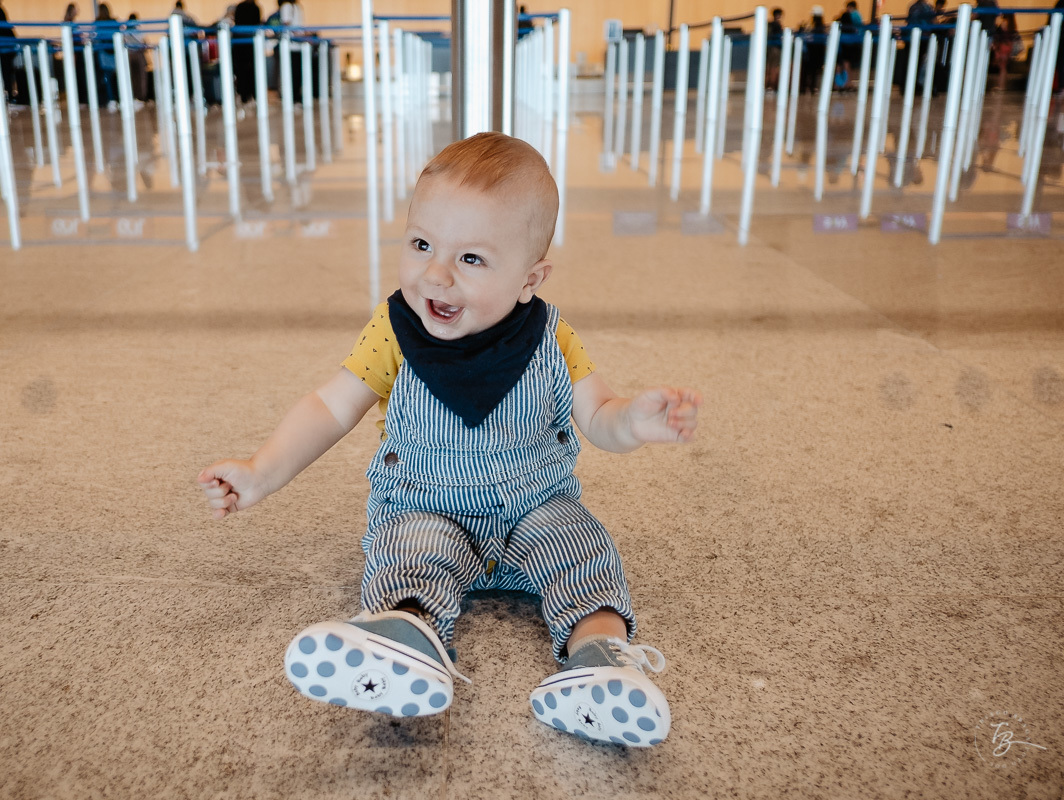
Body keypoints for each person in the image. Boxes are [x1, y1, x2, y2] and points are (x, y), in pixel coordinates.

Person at [197, 132, 700, 747]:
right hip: (425, 506)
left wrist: (633, 423)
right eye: (421, 244)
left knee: (583, 549)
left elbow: (599, 415)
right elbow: (330, 407)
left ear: (529, 278)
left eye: (471, 259)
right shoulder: (394, 329)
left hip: (536, 509)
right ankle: (406, 638)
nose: (436, 273)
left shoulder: (551, 336)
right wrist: (262, 470)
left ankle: (601, 661)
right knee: (410, 551)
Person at [233, 0, 262, 102]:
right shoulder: (256, 8)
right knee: (253, 70)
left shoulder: (240, 7)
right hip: (251, 44)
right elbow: (257, 24)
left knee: (242, 70)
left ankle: (244, 96)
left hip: (240, 44)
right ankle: (254, 95)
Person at [766, 8, 784, 90]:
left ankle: (767, 85)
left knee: (768, 66)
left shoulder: (769, 24)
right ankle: (771, 85)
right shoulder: (777, 25)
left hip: (769, 48)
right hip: (775, 48)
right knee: (773, 67)